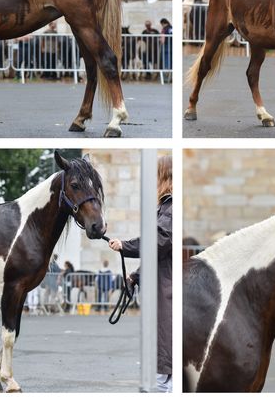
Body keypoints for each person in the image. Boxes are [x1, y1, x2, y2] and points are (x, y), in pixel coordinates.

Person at [108, 153, 173, 392]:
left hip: (167, 288)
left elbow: (159, 241)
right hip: (161, 284)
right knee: (160, 357)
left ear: (164, 176)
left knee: (166, 353)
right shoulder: (166, 207)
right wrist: (135, 276)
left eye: (156, 175)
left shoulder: (171, 207)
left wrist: (125, 246)